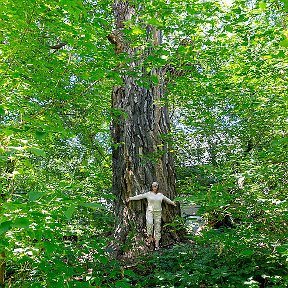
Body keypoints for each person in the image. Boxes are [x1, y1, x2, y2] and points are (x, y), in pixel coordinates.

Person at [126, 181, 177, 250]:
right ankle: (150, 237)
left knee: (157, 227)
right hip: (150, 212)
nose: (155, 187)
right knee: (149, 223)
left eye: (156, 185)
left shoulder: (160, 195)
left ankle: (157, 244)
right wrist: (130, 198)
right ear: (151, 186)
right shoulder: (148, 194)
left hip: (158, 213)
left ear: (158, 186)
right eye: (153, 186)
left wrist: (173, 203)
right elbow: (140, 196)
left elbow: (167, 200)